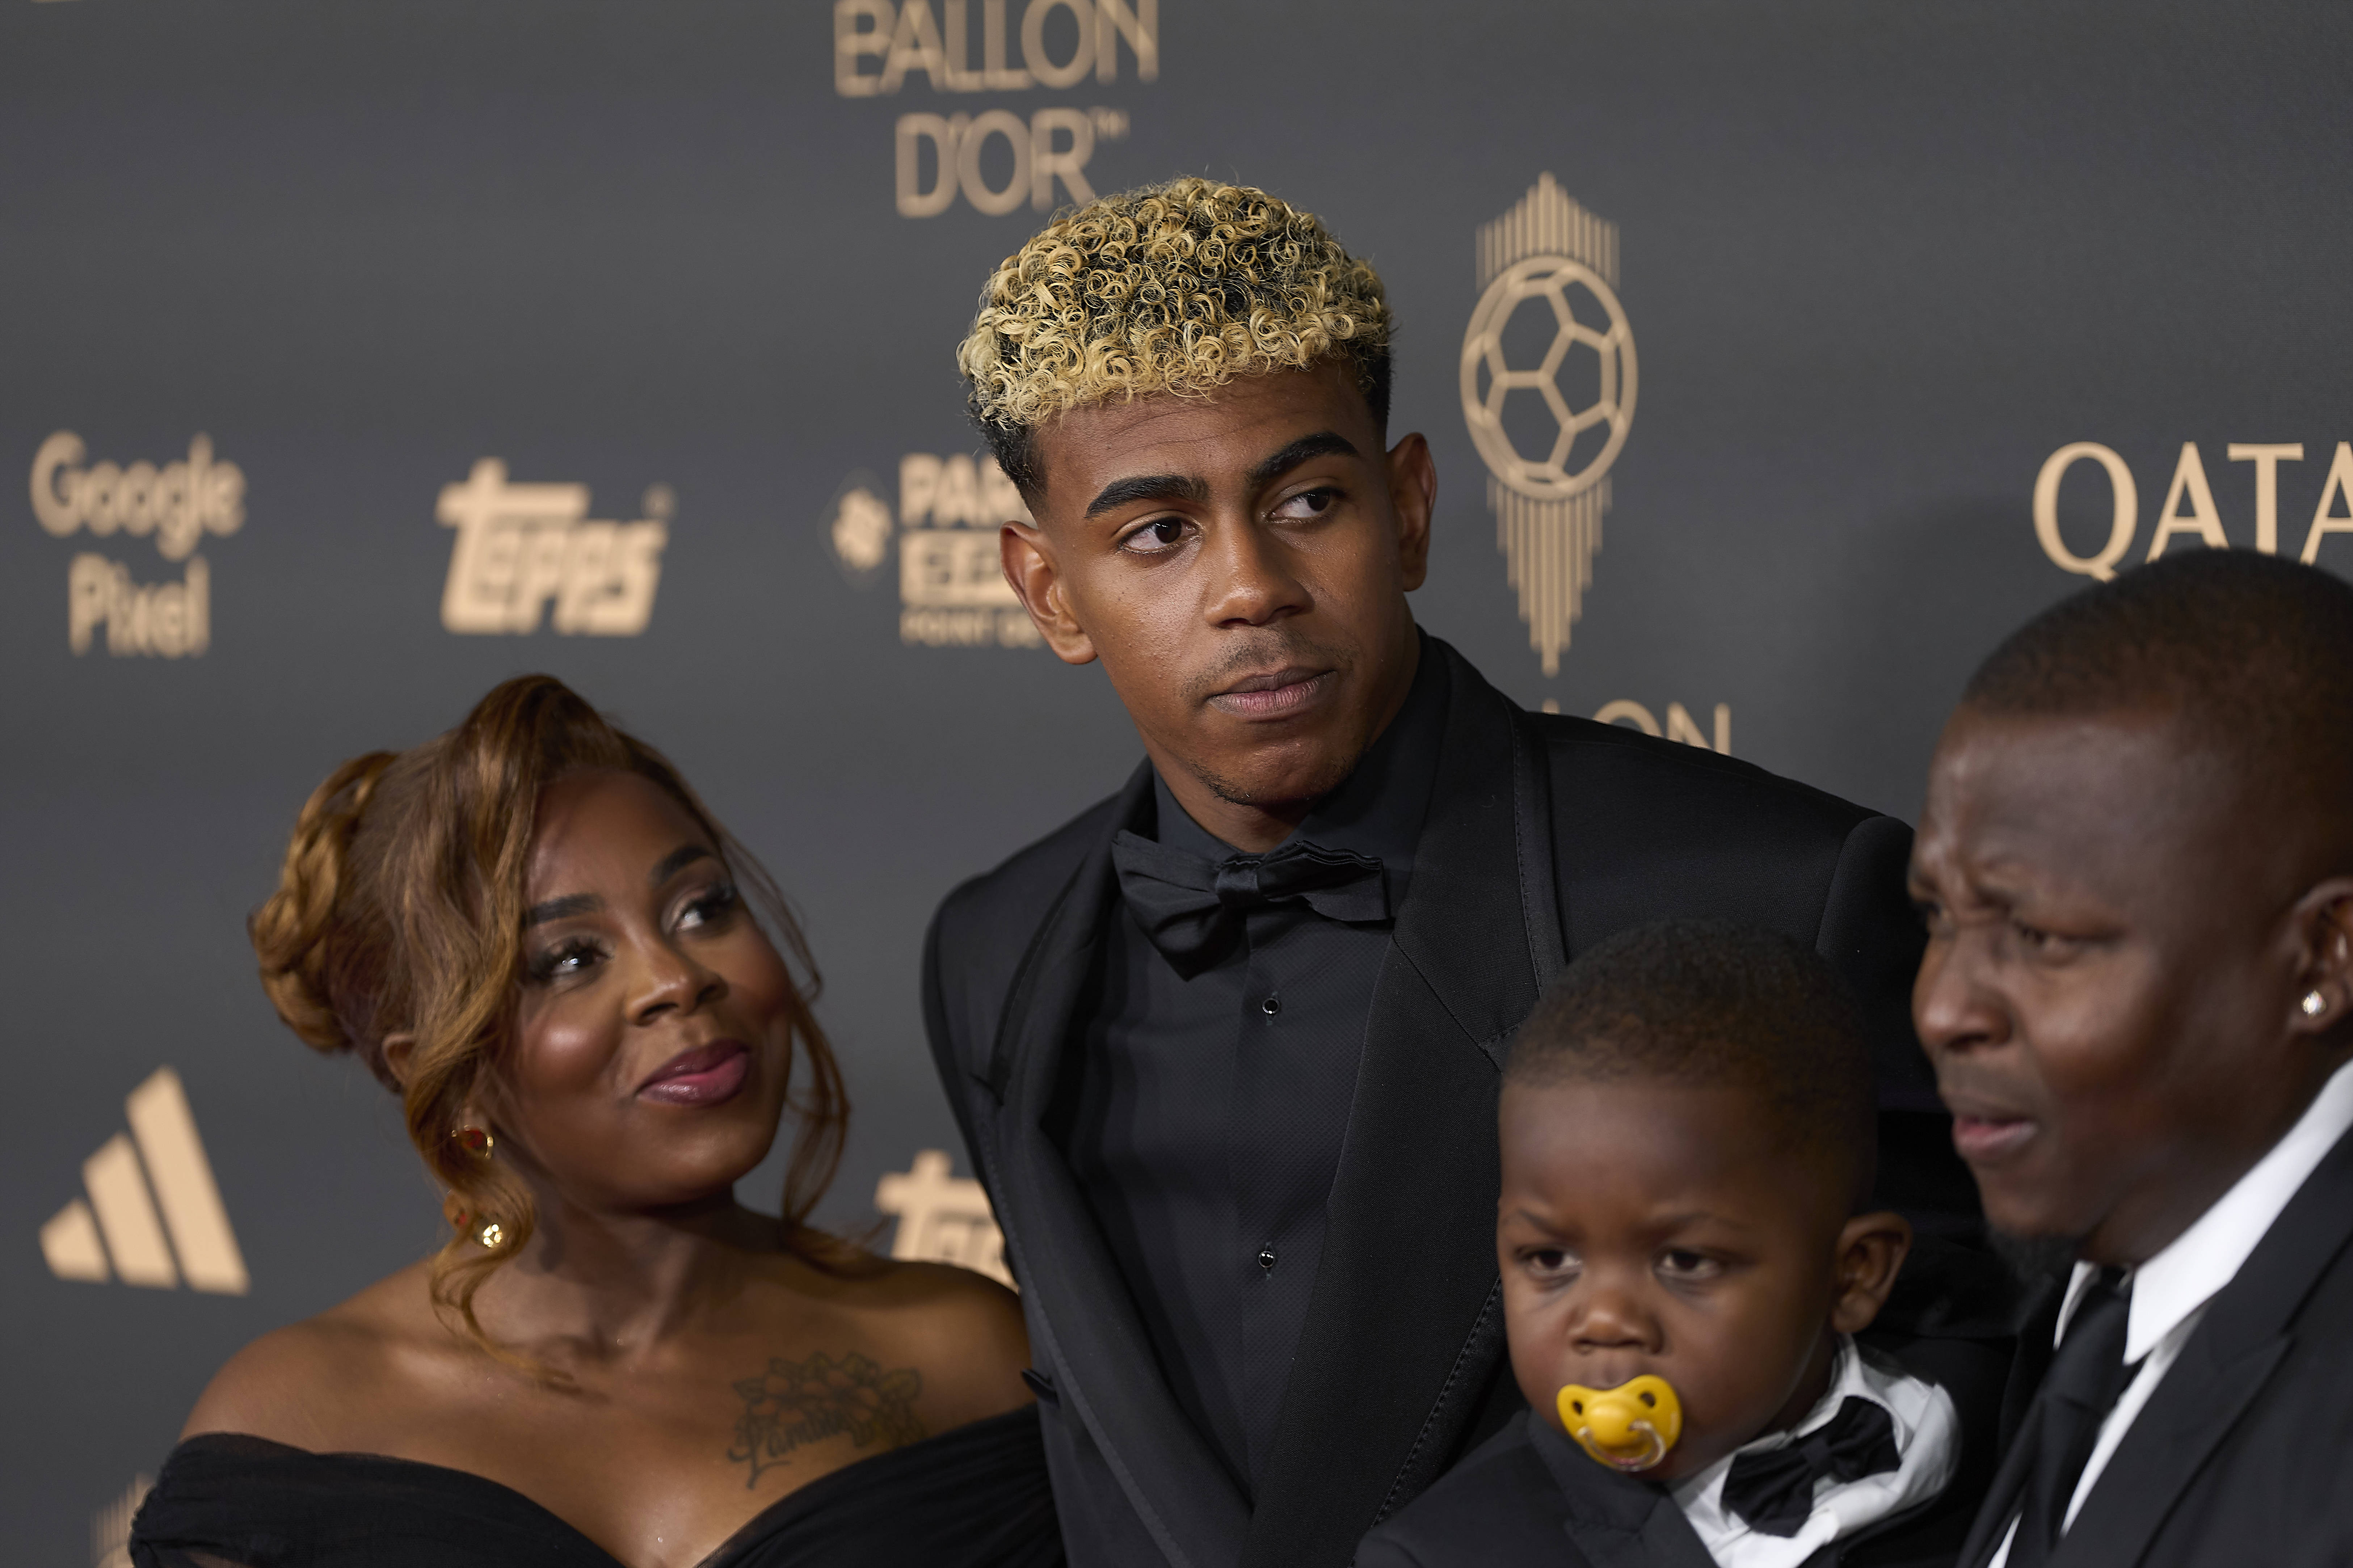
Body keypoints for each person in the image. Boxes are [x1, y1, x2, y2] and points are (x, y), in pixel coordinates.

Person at [923, 176, 1974, 1568]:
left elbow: (1950, 1401)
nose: (1251, 587)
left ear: (1410, 509)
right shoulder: (992, 958)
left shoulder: (1778, 896)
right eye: (1159, 532)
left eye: (1308, 499)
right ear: (1050, 591)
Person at [131, 676, 1059, 1568]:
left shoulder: (964, 1355)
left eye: (703, 908)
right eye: (570, 959)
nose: (676, 979)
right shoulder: (292, 1427)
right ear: (441, 1072)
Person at [1910, 550, 2353, 1567]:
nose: (1941, 1009)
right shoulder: (2091, 1303)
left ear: (2323, 958)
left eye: (2040, 937)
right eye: (1938, 915)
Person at [1358, 920, 2000, 1568]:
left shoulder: (1999, 1379)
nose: (1605, 1320)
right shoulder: (1446, 1558)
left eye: (1685, 1261)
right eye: (1550, 1259)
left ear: (1852, 1276)